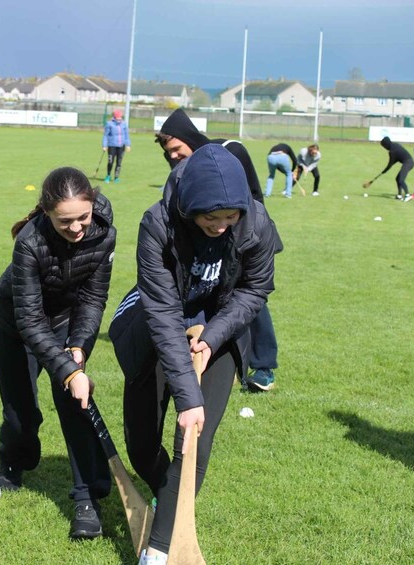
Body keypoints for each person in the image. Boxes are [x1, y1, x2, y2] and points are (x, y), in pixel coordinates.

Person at [108, 145, 278, 563]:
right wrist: (188, 395)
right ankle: (167, 492)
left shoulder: (255, 223)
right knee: (143, 447)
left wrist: (211, 335)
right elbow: (163, 312)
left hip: (220, 331)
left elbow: (255, 290)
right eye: (210, 218)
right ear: (189, 210)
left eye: (229, 217)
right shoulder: (158, 224)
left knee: (195, 447)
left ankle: (160, 549)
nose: (221, 226)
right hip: (156, 325)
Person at [0, 167, 116, 540]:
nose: (77, 227)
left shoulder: (104, 232)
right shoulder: (29, 242)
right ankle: (15, 461)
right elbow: (29, 322)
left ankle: (86, 497)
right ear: (46, 213)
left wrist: (78, 347)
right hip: (16, 324)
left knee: (76, 406)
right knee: (20, 415)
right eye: (66, 221)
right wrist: (70, 372)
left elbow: (94, 299)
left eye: (83, 217)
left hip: (65, 320)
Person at [154, 107, 279, 392]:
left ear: (189, 137)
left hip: (244, 239)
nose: (172, 155)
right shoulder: (185, 167)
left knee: (250, 301)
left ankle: (263, 366)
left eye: (176, 148)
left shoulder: (230, 150)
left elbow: (254, 195)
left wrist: (249, 235)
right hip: (207, 244)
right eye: (167, 151)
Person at [378, 136, 414, 201]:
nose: (384, 148)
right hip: (409, 162)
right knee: (397, 178)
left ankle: (408, 195)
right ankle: (399, 195)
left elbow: (390, 164)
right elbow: (395, 159)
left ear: (386, 145)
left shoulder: (392, 151)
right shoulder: (395, 145)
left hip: (408, 162)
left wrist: (384, 171)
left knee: (401, 180)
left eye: (384, 146)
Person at [101, 109, 131, 183]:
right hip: (112, 145)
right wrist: (104, 145)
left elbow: (126, 135)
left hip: (121, 146)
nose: (119, 119)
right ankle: (108, 175)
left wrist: (128, 145)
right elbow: (105, 135)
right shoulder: (109, 124)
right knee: (110, 161)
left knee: (119, 162)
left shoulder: (124, 124)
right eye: (117, 118)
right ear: (114, 117)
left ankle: (116, 177)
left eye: (120, 117)